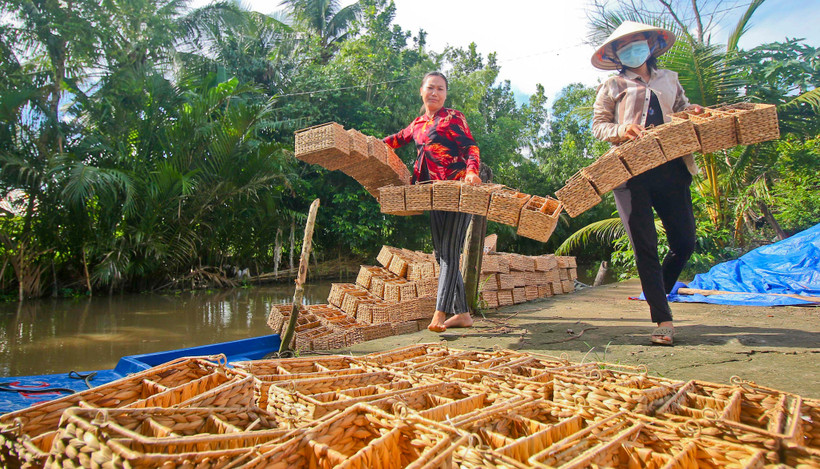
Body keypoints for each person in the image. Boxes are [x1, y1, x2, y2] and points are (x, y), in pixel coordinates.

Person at [591, 21, 703, 346]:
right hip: (629, 174)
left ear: (650, 44)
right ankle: (662, 318)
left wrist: (691, 112)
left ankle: (656, 293)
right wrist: (620, 130)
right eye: (623, 45)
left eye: (637, 42)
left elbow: (682, 110)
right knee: (645, 245)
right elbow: (599, 126)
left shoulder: (670, 79)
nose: (631, 48)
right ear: (615, 54)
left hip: (671, 167)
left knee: (684, 242)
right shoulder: (613, 84)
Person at [384, 71, 482, 333]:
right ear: (422, 91)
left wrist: (472, 171)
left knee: (450, 253)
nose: (435, 93)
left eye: (440, 89)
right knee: (441, 254)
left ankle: (439, 314)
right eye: (431, 88)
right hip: (431, 193)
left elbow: (471, 147)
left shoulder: (454, 118)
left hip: (458, 190)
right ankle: (462, 314)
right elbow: (392, 142)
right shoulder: (416, 125)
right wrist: (362, 146)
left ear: (446, 94)